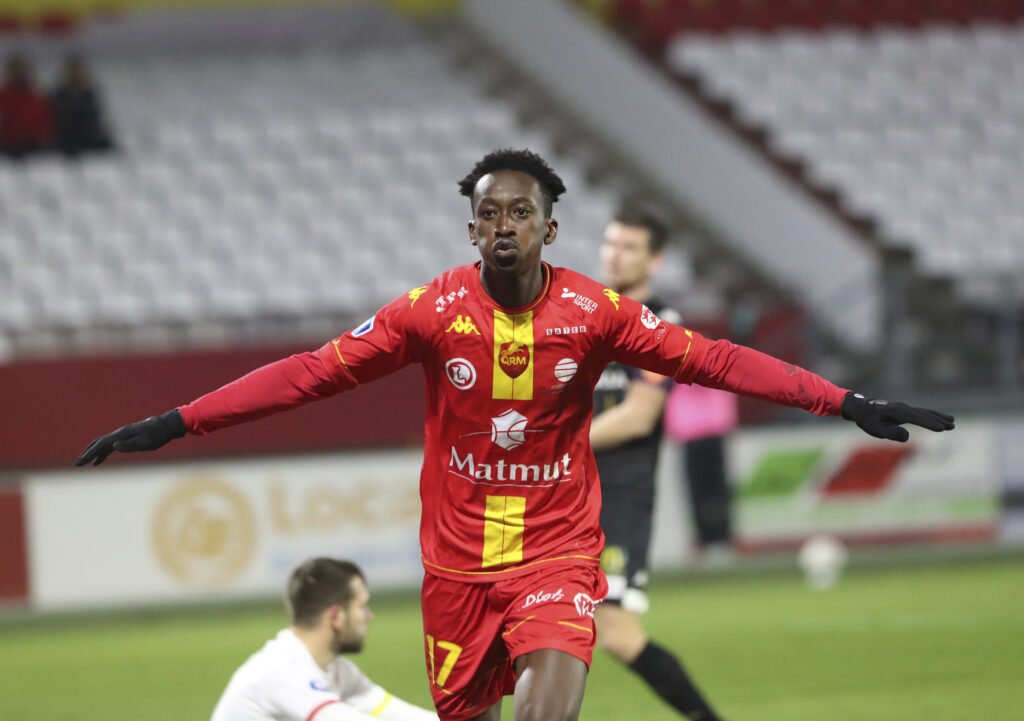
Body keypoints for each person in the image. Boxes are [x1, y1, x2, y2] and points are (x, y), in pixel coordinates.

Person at [76, 148, 955, 721]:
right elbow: (309, 373)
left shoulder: (597, 312)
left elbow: (717, 361)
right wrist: (177, 421)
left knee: (552, 699)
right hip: (455, 569)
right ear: (471, 230)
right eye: (489, 214)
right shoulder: (427, 313)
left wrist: (844, 401)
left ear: (549, 227)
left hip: (557, 553)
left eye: (520, 212)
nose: (504, 225)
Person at [589, 207, 728, 721]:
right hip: (560, 495)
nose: (614, 254)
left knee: (619, 637)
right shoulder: (584, 311)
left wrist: (553, 445)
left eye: (628, 247)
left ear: (655, 259)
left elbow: (638, 418)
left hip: (618, 498)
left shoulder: (660, 324)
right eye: (610, 243)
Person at [211, 557, 437, 721]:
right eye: (362, 606)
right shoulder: (282, 669)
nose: (369, 616)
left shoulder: (339, 671)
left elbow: (398, 713)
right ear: (336, 616)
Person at [49, 54, 115, 158]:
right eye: (72, 71)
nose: (75, 75)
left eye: (77, 71)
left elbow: (94, 120)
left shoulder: (88, 95)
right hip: (65, 137)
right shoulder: (60, 95)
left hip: (86, 136)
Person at [0, 53, 53, 159]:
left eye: (23, 69)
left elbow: (45, 122)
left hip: (34, 148)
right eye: (17, 69)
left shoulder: (36, 96)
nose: (20, 73)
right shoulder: (3, 96)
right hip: (7, 148)